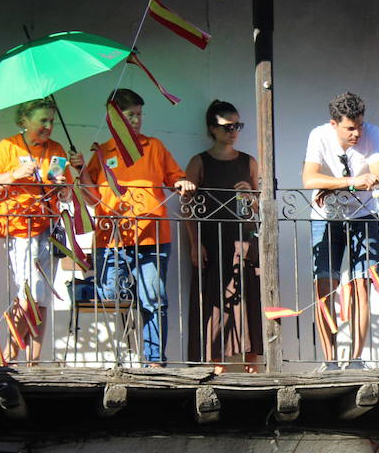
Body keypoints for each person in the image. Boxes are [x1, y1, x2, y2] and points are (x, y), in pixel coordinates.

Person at [85, 89, 196, 367]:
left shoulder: (153, 146)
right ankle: (119, 357)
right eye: (129, 115)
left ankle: (154, 360)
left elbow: (175, 175)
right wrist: (80, 171)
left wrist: (182, 182)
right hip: (110, 238)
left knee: (153, 300)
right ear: (114, 118)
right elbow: (88, 194)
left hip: (151, 235)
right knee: (109, 296)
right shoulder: (102, 151)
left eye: (139, 114)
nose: (136, 120)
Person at [0, 99, 83, 363]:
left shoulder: (56, 149)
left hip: (48, 227)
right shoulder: (8, 146)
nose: (48, 126)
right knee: (29, 296)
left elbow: (66, 193)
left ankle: (33, 362)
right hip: (19, 228)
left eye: (51, 120)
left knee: (43, 298)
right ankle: (6, 357)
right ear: (24, 121)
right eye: (42, 121)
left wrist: (62, 184)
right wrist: (14, 174)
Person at [302, 92, 379, 371]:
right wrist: (352, 182)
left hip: (364, 215)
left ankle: (356, 359)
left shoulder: (373, 132)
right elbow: (308, 178)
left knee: (362, 285)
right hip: (325, 218)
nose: (357, 133)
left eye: (360, 125)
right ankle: (330, 361)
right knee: (325, 287)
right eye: (350, 127)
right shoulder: (319, 135)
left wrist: (332, 185)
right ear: (333, 124)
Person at [185, 100, 262, 373]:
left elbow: (261, 207)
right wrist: (195, 244)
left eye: (237, 125)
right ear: (212, 129)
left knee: (248, 297)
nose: (234, 131)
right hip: (213, 242)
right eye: (227, 126)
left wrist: (251, 197)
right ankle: (215, 364)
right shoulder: (199, 161)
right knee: (214, 299)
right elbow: (188, 208)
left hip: (243, 239)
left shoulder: (248, 161)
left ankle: (252, 362)